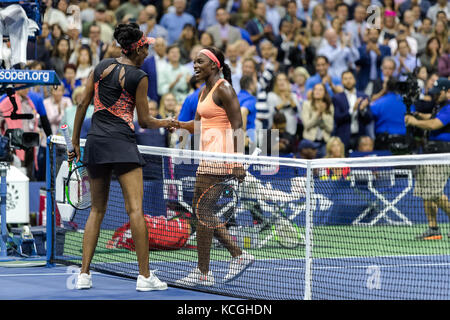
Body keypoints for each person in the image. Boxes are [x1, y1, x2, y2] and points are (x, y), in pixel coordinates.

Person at [69, 23, 173, 291]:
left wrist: (75, 142)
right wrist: (168, 121)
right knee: (135, 210)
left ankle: (83, 274)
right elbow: (147, 121)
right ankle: (145, 276)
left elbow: (82, 104)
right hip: (122, 145)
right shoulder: (139, 76)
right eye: (146, 46)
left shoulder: (102, 66)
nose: (149, 50)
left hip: (95, 144)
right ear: (137, 49)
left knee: (96, 210)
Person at [175, 46, 255, 286]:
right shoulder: (203, 91)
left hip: (222, 158)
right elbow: (198, 125)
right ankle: (232, 258)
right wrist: (174, 123)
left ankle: (207, 271)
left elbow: (238, 125)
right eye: (194, 62)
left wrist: (238, 162)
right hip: (206, 157)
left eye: (200, 62)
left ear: (213, 65)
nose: (195, 66)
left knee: (202, 212)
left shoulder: (225, 89)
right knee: (202, 212)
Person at [404, 78, 450, 240]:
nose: (436, 95)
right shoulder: (440, 106)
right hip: (430, 151)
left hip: (442, 153)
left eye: (439, 92)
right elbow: (432, 117)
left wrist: (414, 121)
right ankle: (433, 229)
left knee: (434, 192)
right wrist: (420, 116)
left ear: (448, 91)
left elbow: (434, 125)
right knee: (425, 192)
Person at [332, 70, 371, 153]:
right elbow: (337, 118)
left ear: (355, 80)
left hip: (360, 136)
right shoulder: (337, 98)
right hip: (344, 137)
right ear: (342, 81)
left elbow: (369, 119)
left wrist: (362, 110)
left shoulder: (363, 96)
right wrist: (352, 110)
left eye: (350, 78)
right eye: (345, 79)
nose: (348, 81)